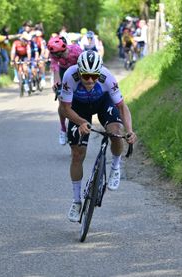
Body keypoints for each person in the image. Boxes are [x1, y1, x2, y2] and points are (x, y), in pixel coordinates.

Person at [58, 50, 137, 222]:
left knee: (116, 133)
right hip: (78, 108)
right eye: (86, 76)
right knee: (77, 154)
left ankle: (116, 167)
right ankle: (77, 201)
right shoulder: (69, 76)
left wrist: (129, 130)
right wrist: (80, 122)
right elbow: (65, 108)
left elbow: (122, 107)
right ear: (79, 72)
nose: (90, 80)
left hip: (103, 103)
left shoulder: (107, 78)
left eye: (94, 76)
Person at [47, 36, 82, 145]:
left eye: (60, 54)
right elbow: (55, 68)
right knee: (62, 101)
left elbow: (84, 65)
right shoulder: (53, 54)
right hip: (63, 70)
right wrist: (57, 84)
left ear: (64, 49)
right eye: (56, 55)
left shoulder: (76, 50)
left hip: (77, 69)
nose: (57, 56)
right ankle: (63, 128)